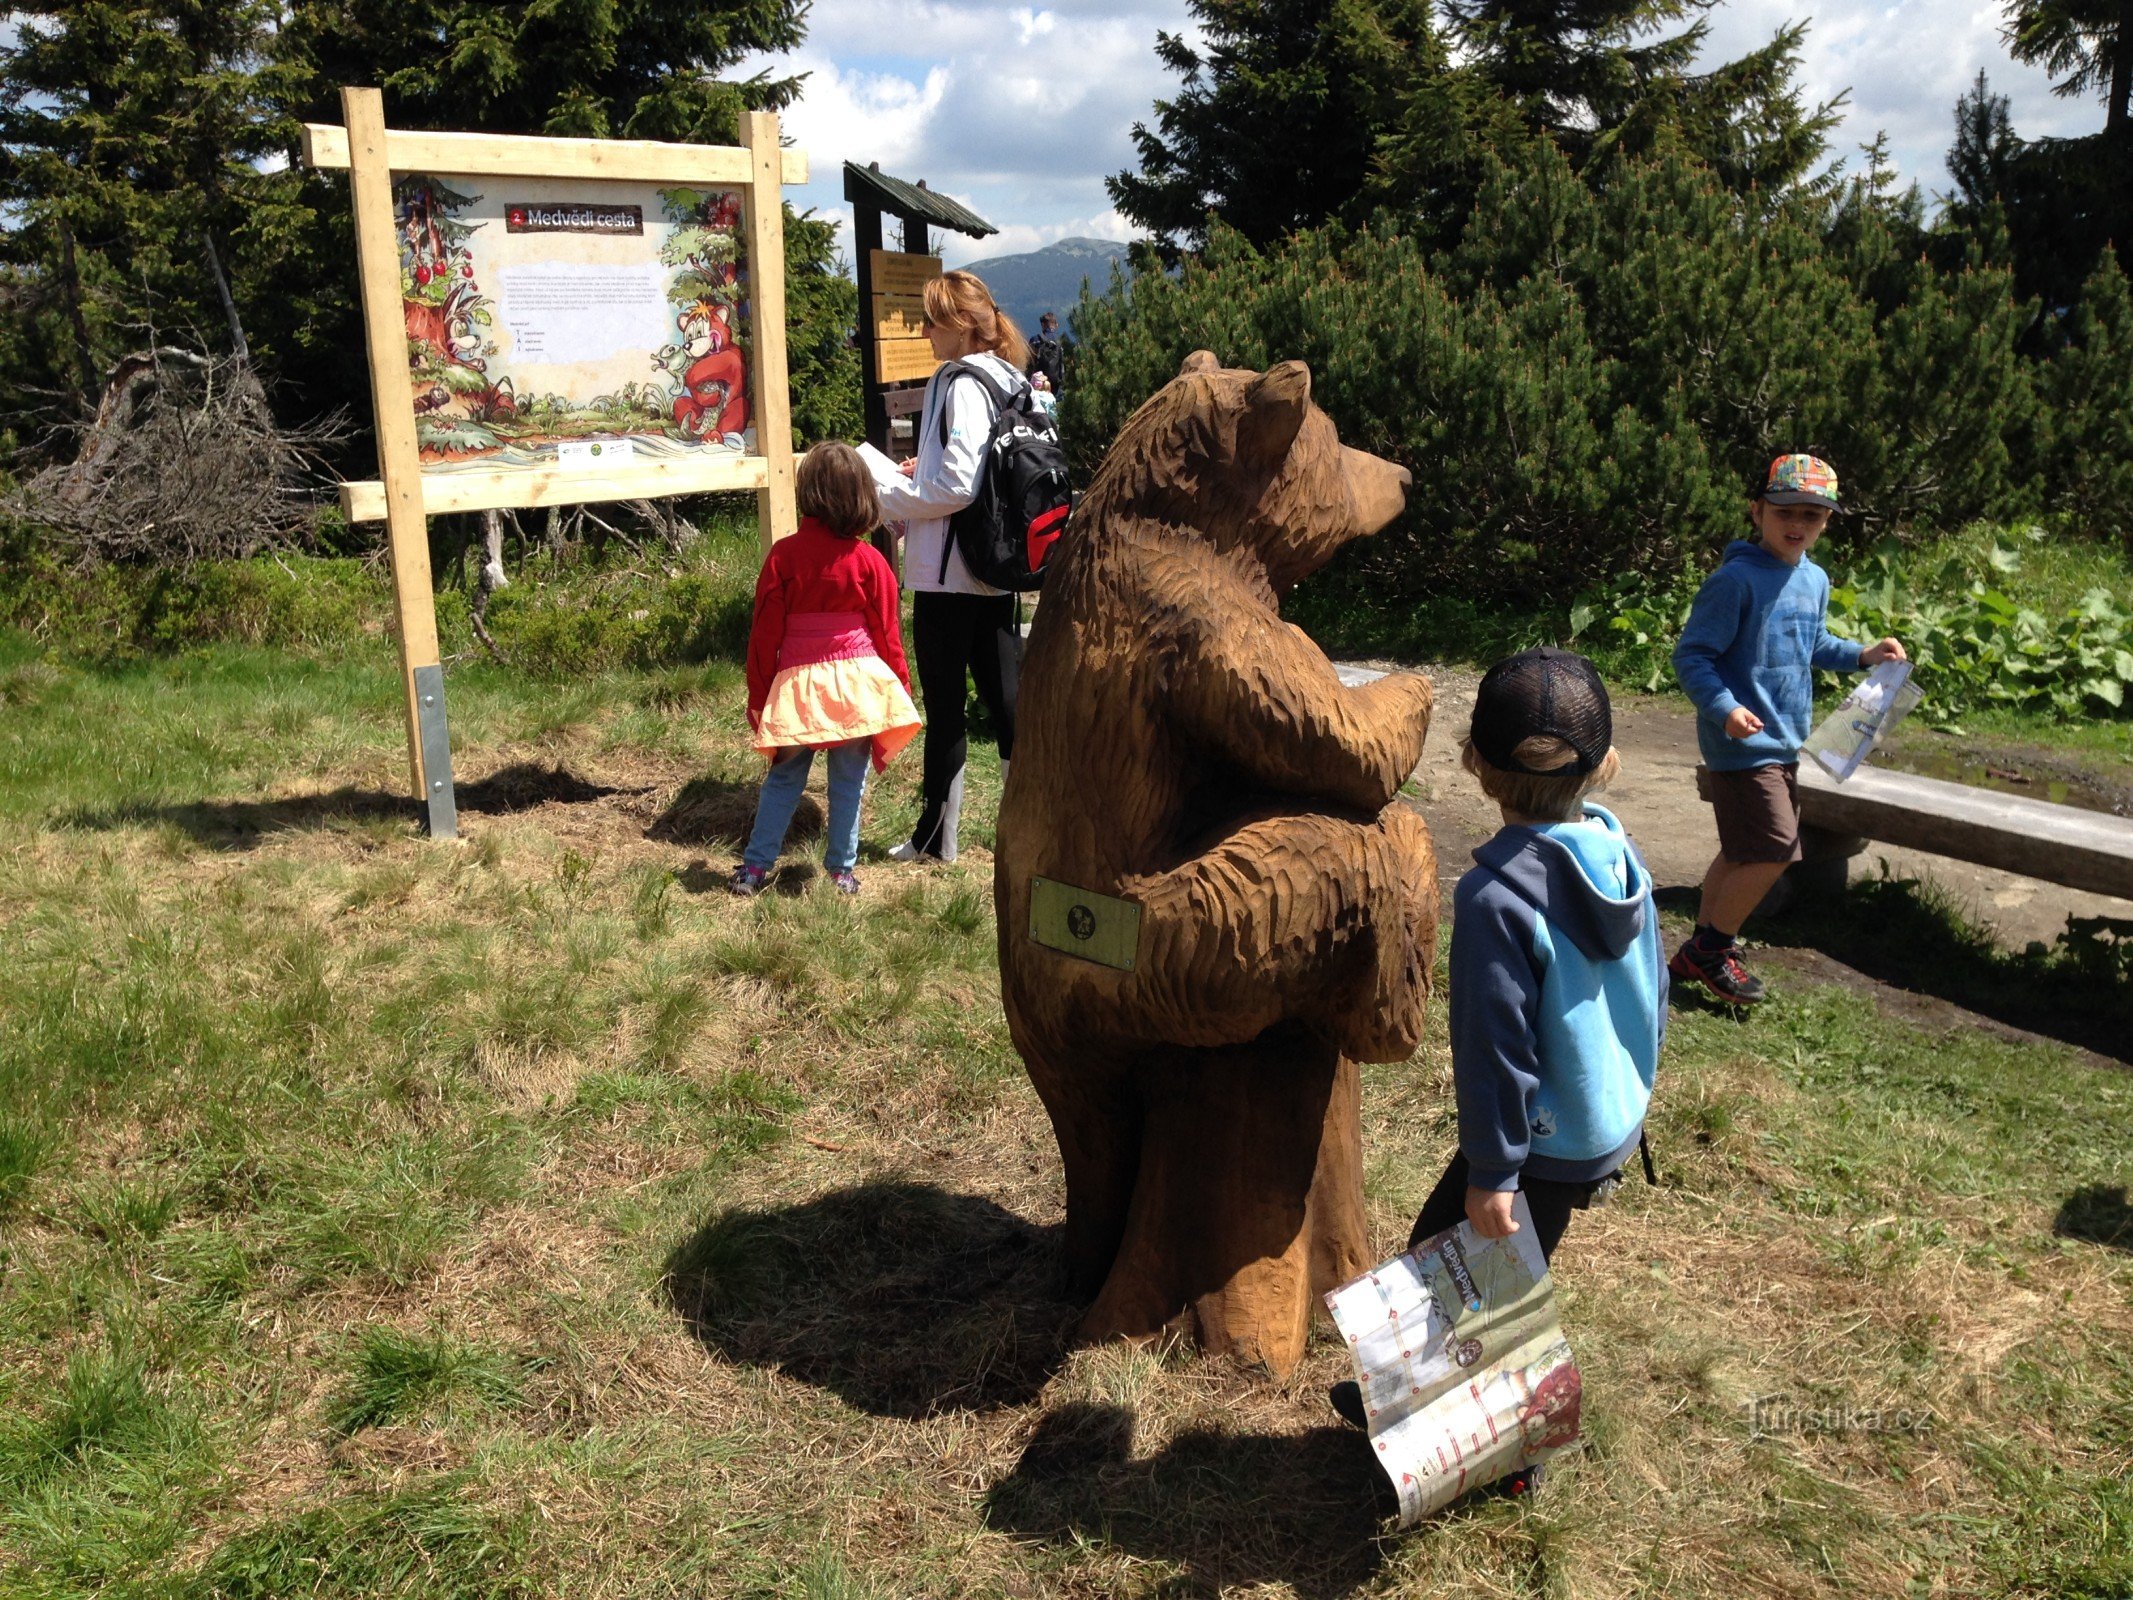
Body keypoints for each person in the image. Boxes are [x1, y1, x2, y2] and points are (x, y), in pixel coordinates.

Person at [1330, 648, 1665, 1500]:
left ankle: (1509, 1453)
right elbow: (1651, 985)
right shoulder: (1618, 857)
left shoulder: (1495, 898)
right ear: (1608, 765)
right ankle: (1421, 1410)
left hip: (1538, 1140)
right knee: (1478, 1270)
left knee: (1467, 1279)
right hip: (1600, 1117)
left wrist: (1494, 1171)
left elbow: (1497, 1052)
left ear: (1473, 764)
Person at [1670, 454, 1906, 1003]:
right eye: (1786, 512)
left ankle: (1701, 947)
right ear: (1757, 512)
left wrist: (1864, 655)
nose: (1798, 524)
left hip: (1786, 736)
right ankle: (1713, 949)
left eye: (1813, 515)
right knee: (1776, 848)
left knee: (1740, 849)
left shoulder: (1814, 578)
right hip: (1741, 740)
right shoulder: (1734, 581)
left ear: (1825, 522)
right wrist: (1725, 708)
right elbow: (1693, 657)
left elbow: (1814, 645)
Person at [876, 269, 1032, 863]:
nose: (923, 331)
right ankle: (1030, 827)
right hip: (997, 567)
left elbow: (959, 487)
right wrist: (927, 472)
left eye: (932, 320)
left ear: (961, 326)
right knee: (1008, 704)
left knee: (946, 710)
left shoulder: (956, 379)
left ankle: (936, 841)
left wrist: (886, 494)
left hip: (946, 574)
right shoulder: (1011, 377)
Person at [734, 442, 921, 897]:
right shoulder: (871, 562)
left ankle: (756, 868)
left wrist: (759, 698)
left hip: (799, 688)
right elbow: (887, 635)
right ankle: (841, 871)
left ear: (808, 493)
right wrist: (900, 684)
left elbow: (764, 638)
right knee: (848, 783)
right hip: (856, 688)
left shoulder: (783, 557)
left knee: (783, 778)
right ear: (862, 494)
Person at [1028, 310, 1065, 393]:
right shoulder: (1061, 341)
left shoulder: (1035, 340)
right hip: (1056, 383)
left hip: (1039, 383)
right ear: (1056, 325)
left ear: (1043, 325)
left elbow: (1029, 360)